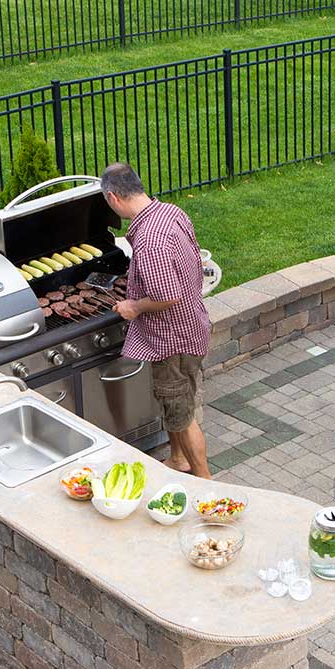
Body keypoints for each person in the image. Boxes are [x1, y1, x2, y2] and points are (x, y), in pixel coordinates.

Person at [100, 163, 212, 479]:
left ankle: (207, 484)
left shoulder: (149, 241)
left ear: (113, 197)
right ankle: (179, 460)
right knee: (176, 403)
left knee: (181, 413)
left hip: (171, 340)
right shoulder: (170, 213)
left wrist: (134, 307)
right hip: (193, 326)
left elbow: (167, 295)